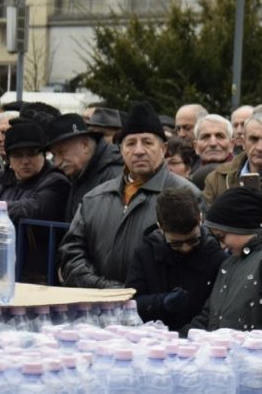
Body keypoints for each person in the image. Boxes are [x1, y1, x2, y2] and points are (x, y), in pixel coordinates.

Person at [59, 101, 201, 289]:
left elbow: (197, 260)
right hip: (100, 307)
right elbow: (71, 255)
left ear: (163, 149)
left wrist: (144, 296)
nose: (139, 151)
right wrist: (104, 288)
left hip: (159, 312)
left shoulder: (187, 195)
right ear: (121, 149)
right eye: (131, 143)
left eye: (148, 142)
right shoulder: (94, 198)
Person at [190, 186, 262, 342]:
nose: (221, 246)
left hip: (257, 364)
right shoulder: (231, 262)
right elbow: (209, 317)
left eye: (221, 237)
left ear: (241, 226)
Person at [126, 187, 228, 330]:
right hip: (153, 337)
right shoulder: (145, 253)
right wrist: (161, 302)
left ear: (200, 219)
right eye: (176, 243)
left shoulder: (215, 256)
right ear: (160, 228)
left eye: (193, 240)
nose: (186, 248)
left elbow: (220, 308)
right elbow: (131, 303)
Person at [0, 120, 70, 225]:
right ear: (8, 158)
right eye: (17, 155)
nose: (25, 161)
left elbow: (30, 208)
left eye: (32, 154)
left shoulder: (57, 181)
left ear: (44, 154)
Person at [45, 113, 124, 221]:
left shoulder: (113, 174)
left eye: (62, 152)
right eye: (54, 155)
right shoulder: (79, 172)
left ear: (85, 146)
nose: (57, 162)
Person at [188, 114, 235, 189]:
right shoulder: (188, 179)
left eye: (220, 136)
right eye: (205, 137)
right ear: (196, 146)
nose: (213, 143)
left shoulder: (245, 174)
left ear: (231, 145)